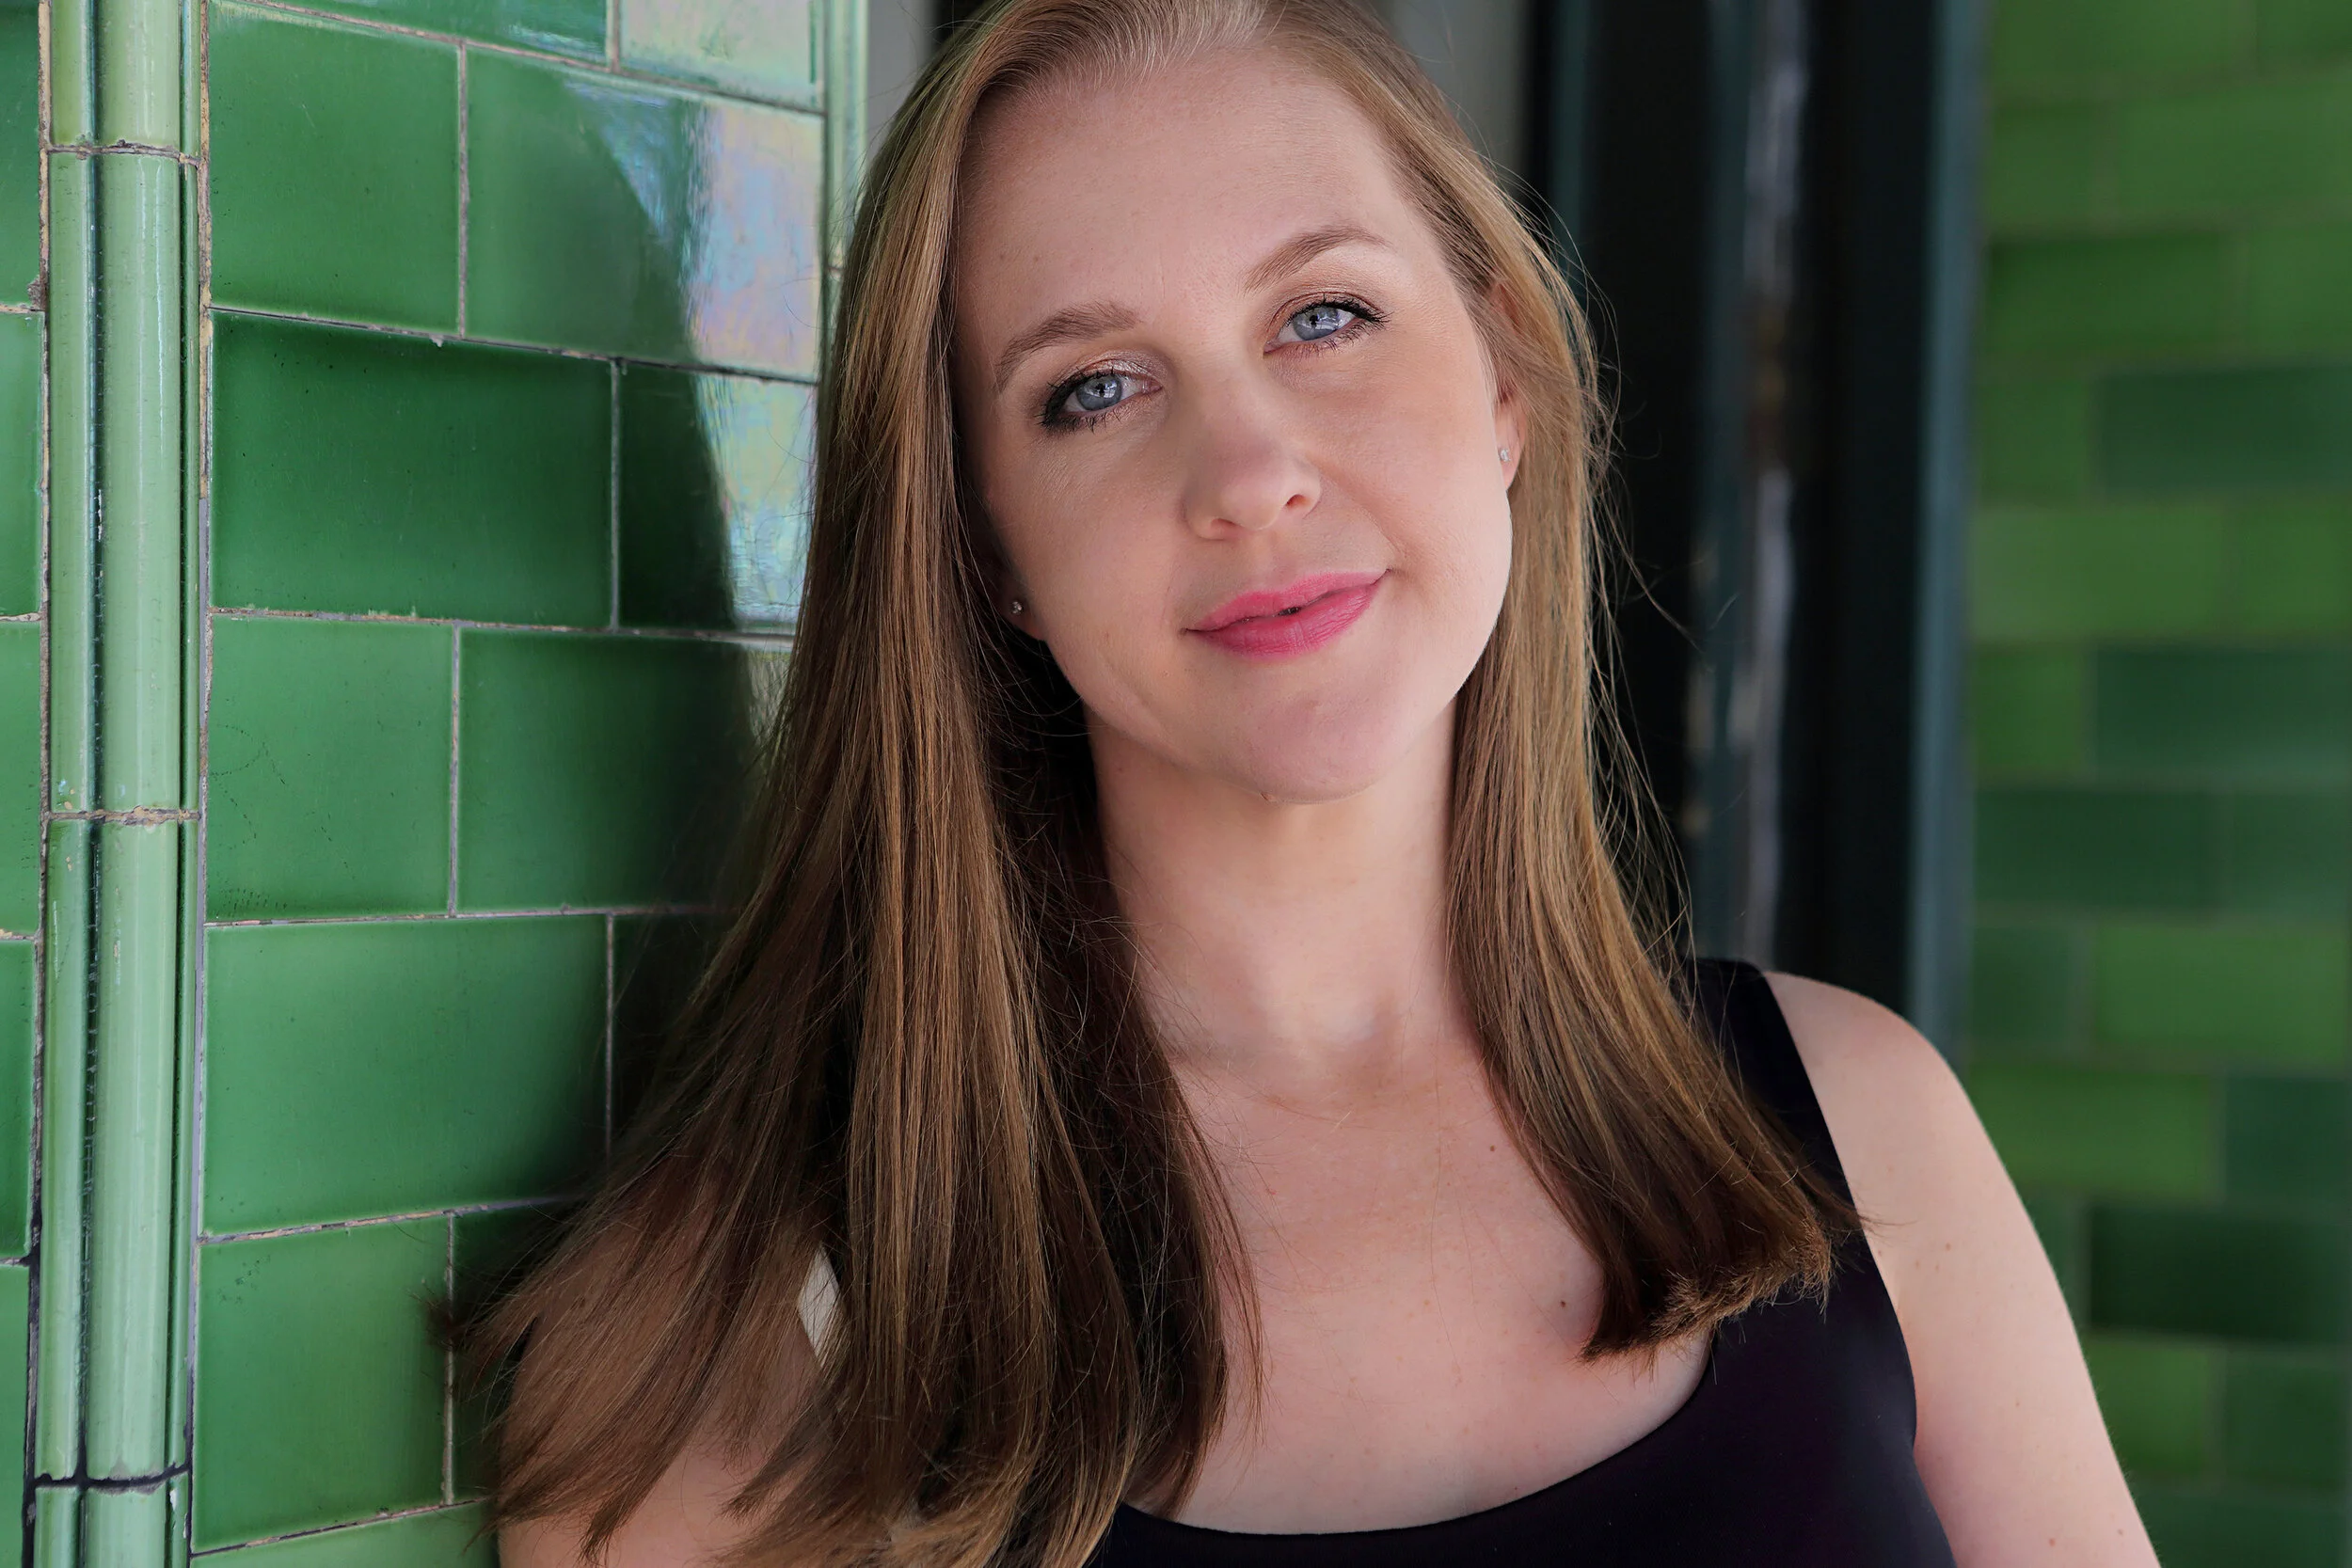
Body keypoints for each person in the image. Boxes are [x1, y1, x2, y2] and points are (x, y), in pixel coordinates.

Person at [485, 1, 2156, 1562]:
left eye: (1323, 316)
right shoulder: (736, 1330)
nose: (1250, 472)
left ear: (1504, 377)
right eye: (1094, 389)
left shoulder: (1860, 1124)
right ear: (985, 546)